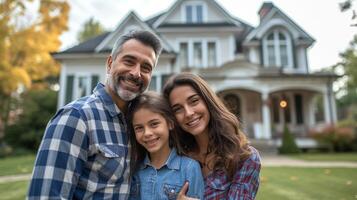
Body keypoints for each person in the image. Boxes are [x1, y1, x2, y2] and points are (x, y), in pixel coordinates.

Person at [27, 30, 162, 199]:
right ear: (110, 63)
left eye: (146, 67)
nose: (136, 73)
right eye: (129, 61)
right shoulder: (76, 118)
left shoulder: (141, 125)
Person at [162, 72, 261, 200]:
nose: (188, 113)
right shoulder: (174, 156)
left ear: (208, 101)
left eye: (194, 101)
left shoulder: (244, 158)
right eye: (177, 109)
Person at [126, 91, 204, 200]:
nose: (147, 133)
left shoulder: (189, 168)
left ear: (170, 123)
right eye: (139, 128)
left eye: (154, 124)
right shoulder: (134, 169)